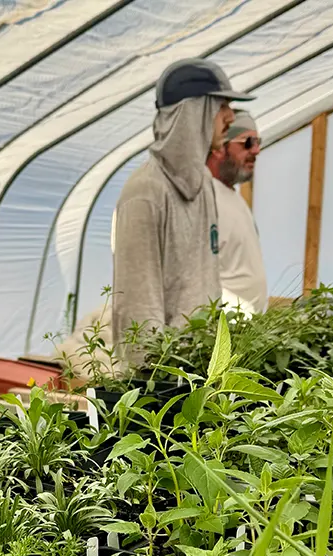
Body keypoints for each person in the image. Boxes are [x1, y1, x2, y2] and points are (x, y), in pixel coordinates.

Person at [112, 57, 253, 362]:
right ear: (192, 112)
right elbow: (138, 312)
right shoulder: (145, 193)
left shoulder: (202, 183)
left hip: (202, 370)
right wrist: (158, 381)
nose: (230, 116)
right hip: (162, 387)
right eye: (221, 105)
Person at [207, 109, 267, 314]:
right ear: (219, 148)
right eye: (248, 143)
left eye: (259, 142)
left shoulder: (233, 198)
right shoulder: (204, 200)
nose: (256, 150)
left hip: (246, 332)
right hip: (220, 332)